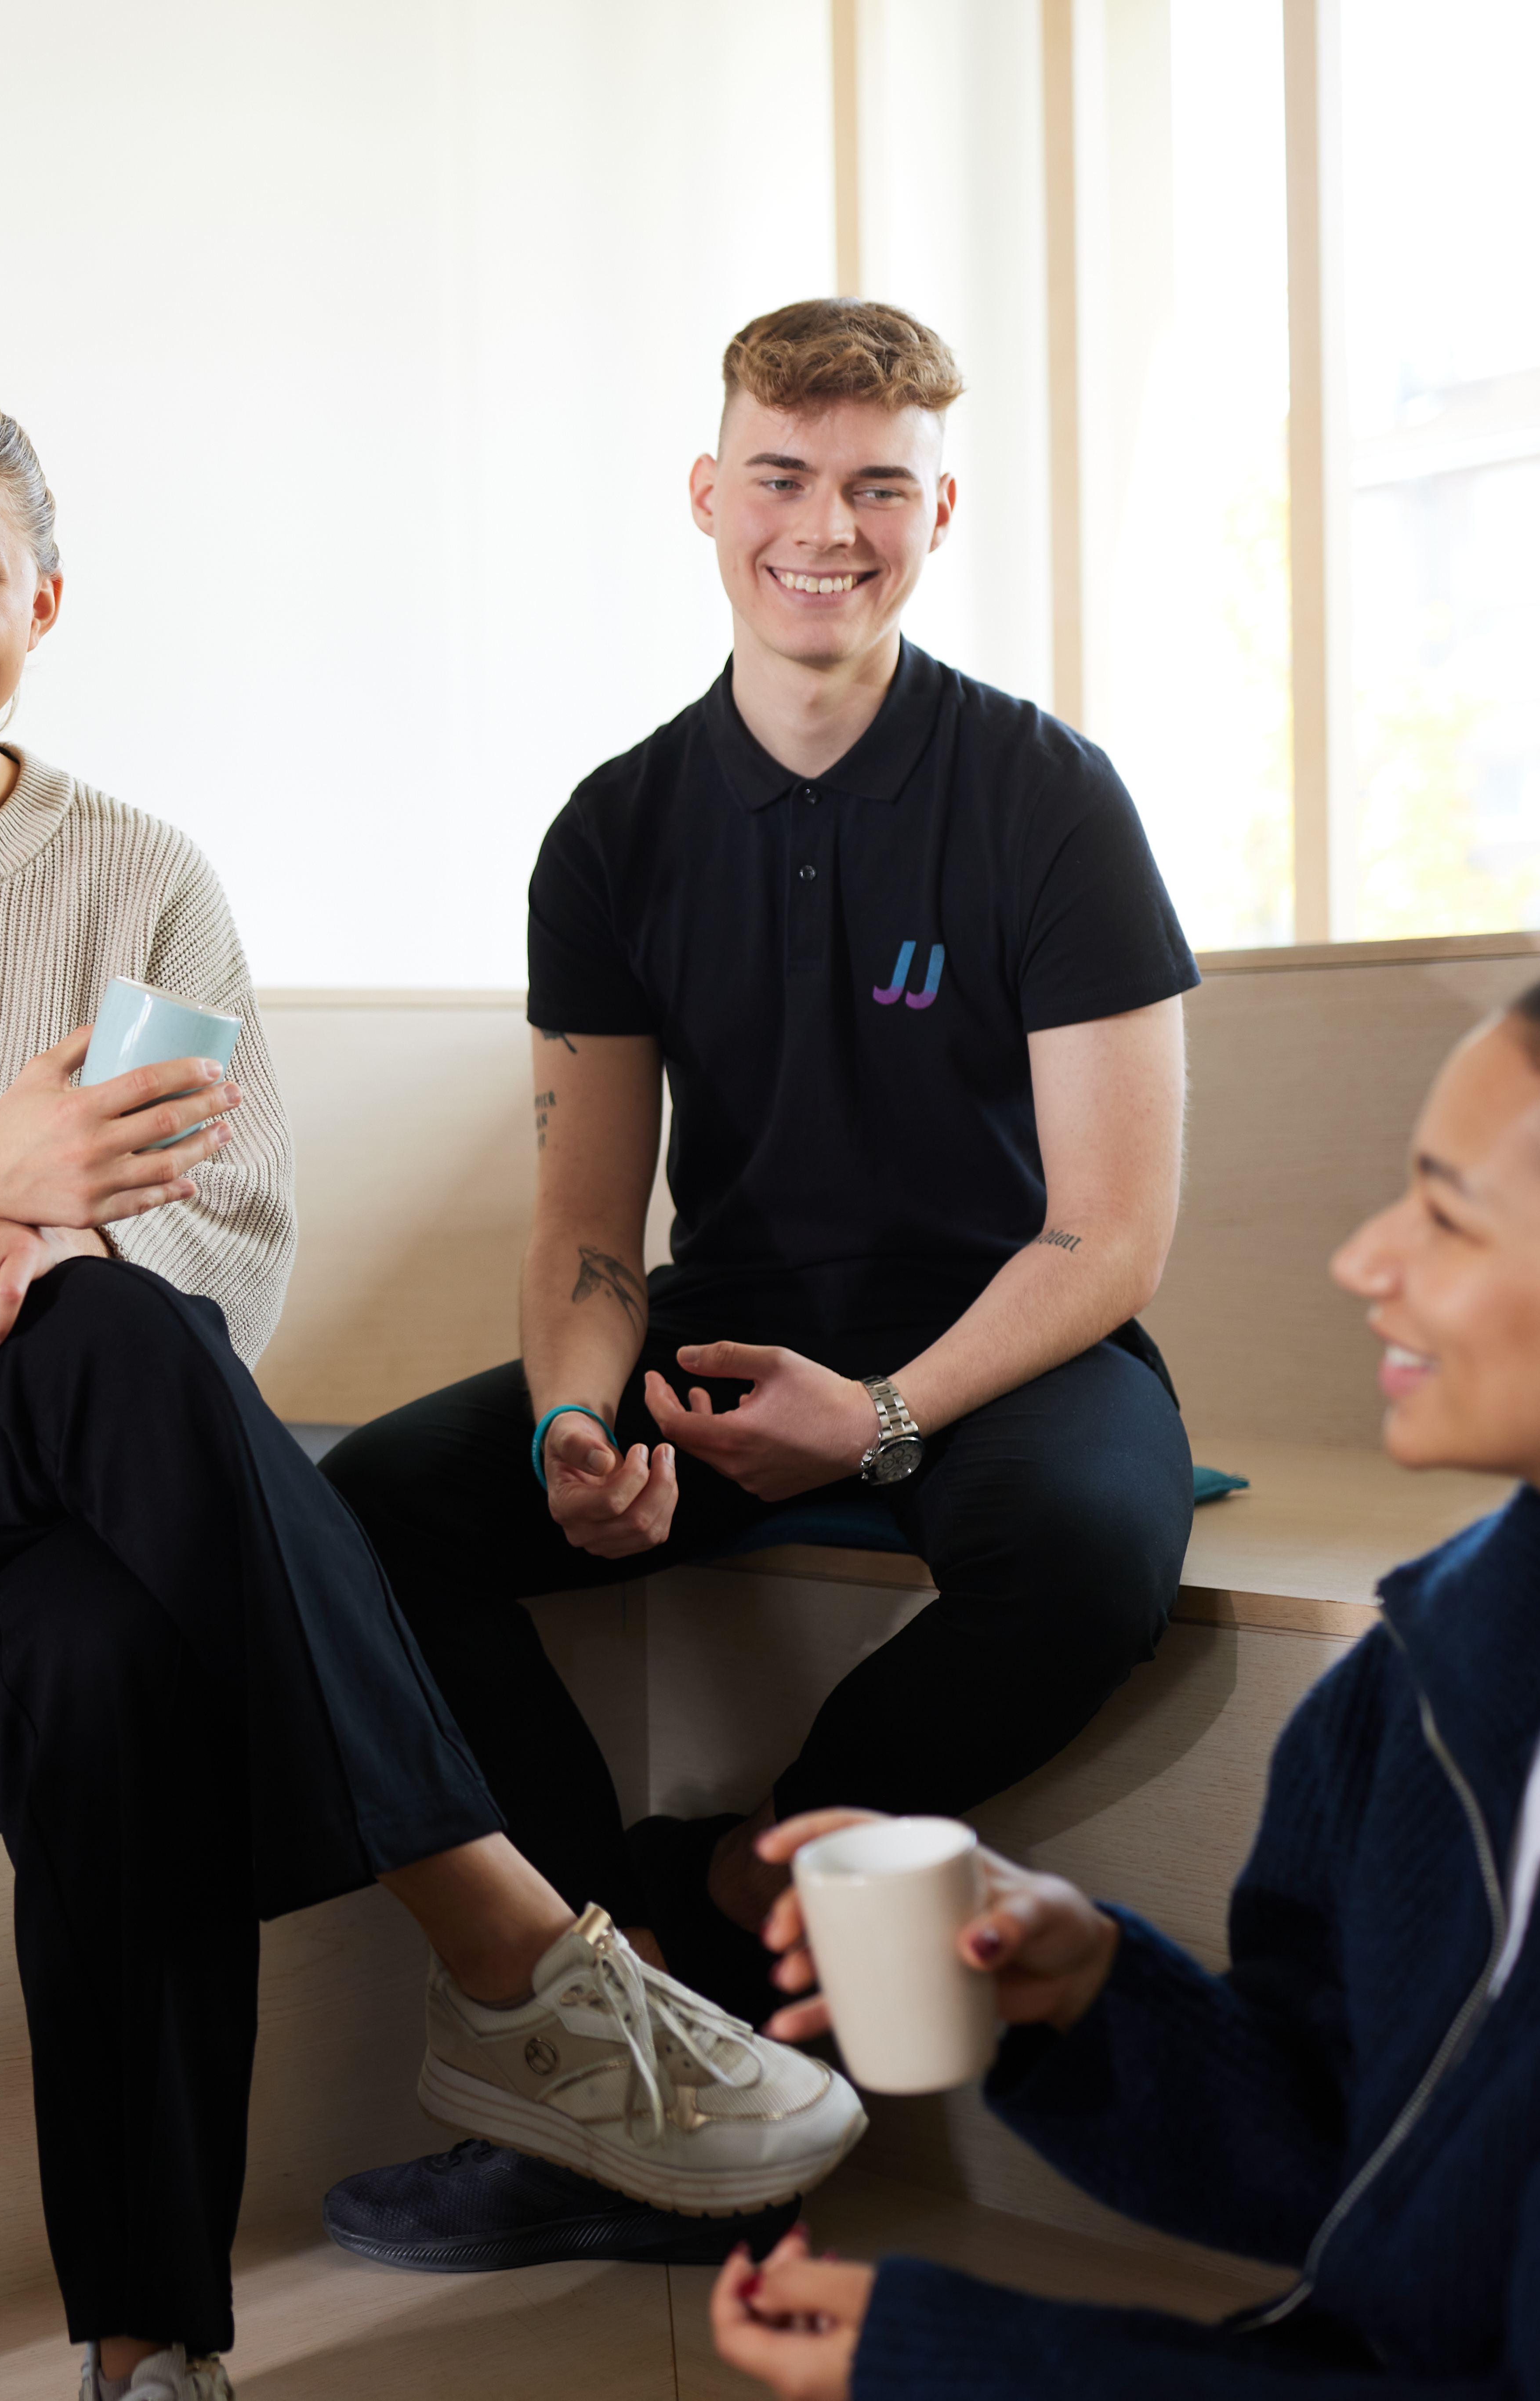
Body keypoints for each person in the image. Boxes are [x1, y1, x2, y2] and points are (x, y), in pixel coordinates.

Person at [0, 381, 864, 2401]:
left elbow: (219, 1235)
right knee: (95, 1340)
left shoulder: (137, 876)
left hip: (35, 1454)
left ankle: (150, 2351)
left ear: (43, 604)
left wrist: (42, 1243)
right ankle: (508, 1941)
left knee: (107, 1651)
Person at [712, 864, 1540, 2400]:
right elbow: (1380, 2160)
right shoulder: (1437, 1677)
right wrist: (1091, 1989)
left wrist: (981, 2362)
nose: (1364, 1260)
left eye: (1446, 1214)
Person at [317, 297, 1197, 2271]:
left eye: (876, 485)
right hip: (723, 1330)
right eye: (783, 478)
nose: (827, 524)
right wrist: (569, 1418)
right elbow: (581, 1238)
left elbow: (1107, 1237)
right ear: (708, 494)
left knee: (1086, 1548)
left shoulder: (1048, 798)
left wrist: (881, 1420)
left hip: (1002, 1342)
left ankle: (709, 1896)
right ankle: (587, 1990)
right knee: (367, 1508)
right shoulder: (613, 831)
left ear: (935, 509)